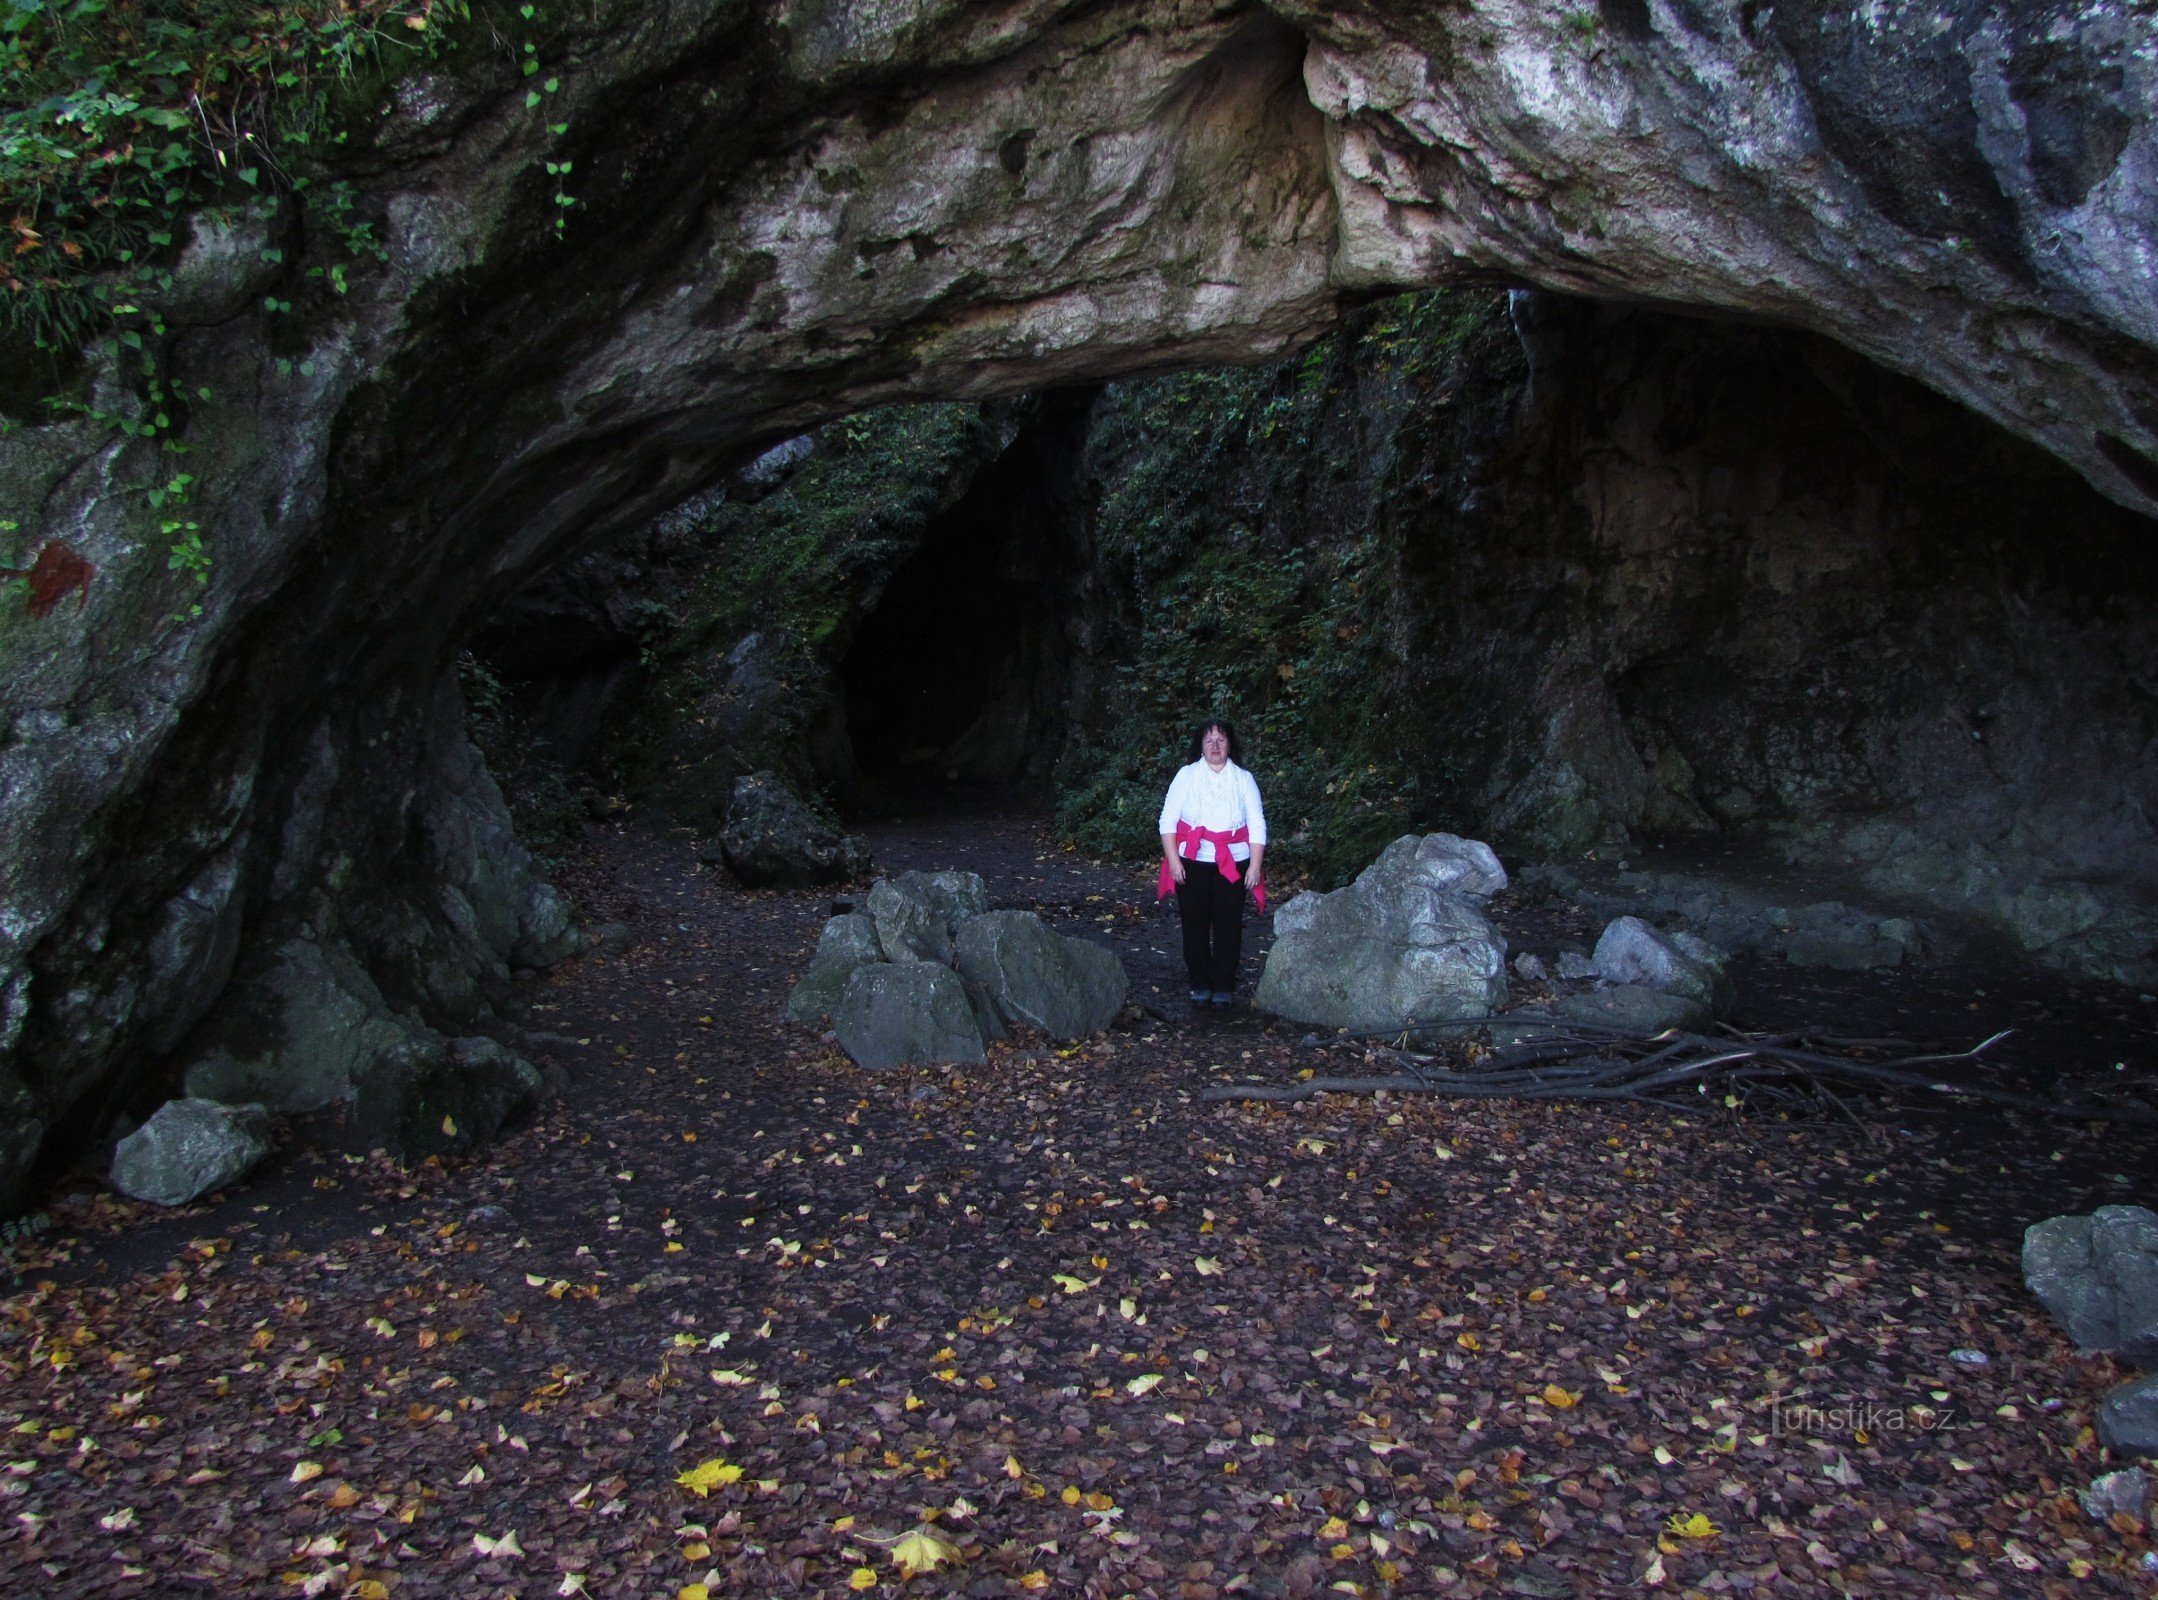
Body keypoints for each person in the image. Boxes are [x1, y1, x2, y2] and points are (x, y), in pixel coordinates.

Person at [1156, 719, 1267, 1009]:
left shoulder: (1243, 779)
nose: (1215, 746)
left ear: (1229, 744)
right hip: (1191, 861)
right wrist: (1173, 860)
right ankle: (1199, 983)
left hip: (1233, 861)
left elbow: (1256, 823)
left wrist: (1255, 866)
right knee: (1194, 925)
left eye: (1220, 740)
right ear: (1200, 746)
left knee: (1228, 925)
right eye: (1209, 741)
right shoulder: (1186, 775)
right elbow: (1167, 819)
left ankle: (1223, 986)